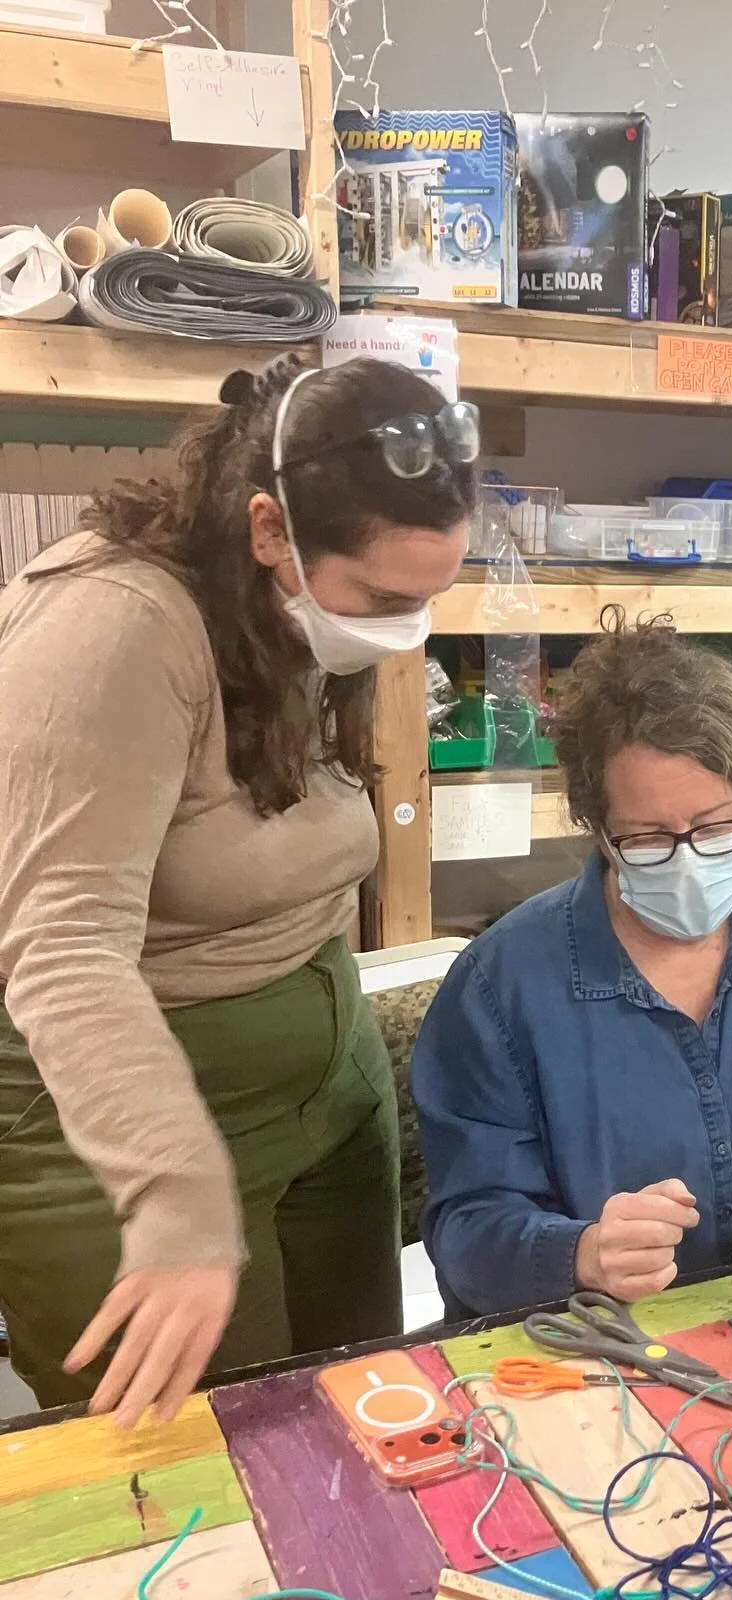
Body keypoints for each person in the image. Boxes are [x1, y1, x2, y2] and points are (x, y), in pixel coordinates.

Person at [0, 354, 477, 1423]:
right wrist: (175, 1199)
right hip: (122, 1130)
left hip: (322, 1099)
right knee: (200, 1480)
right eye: (387, 598)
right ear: (270, 531)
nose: (406, 630)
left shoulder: (295, 609)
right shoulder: (109, 628)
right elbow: (61, 946)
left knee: (348, 1425)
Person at [413, 628, 732, 1315]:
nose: (687, 862)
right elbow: (466, 1231)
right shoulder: (501, 987)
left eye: (714, 829)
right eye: (648, 839)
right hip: (592, 1349)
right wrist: (580, 1255)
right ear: (596, 827)